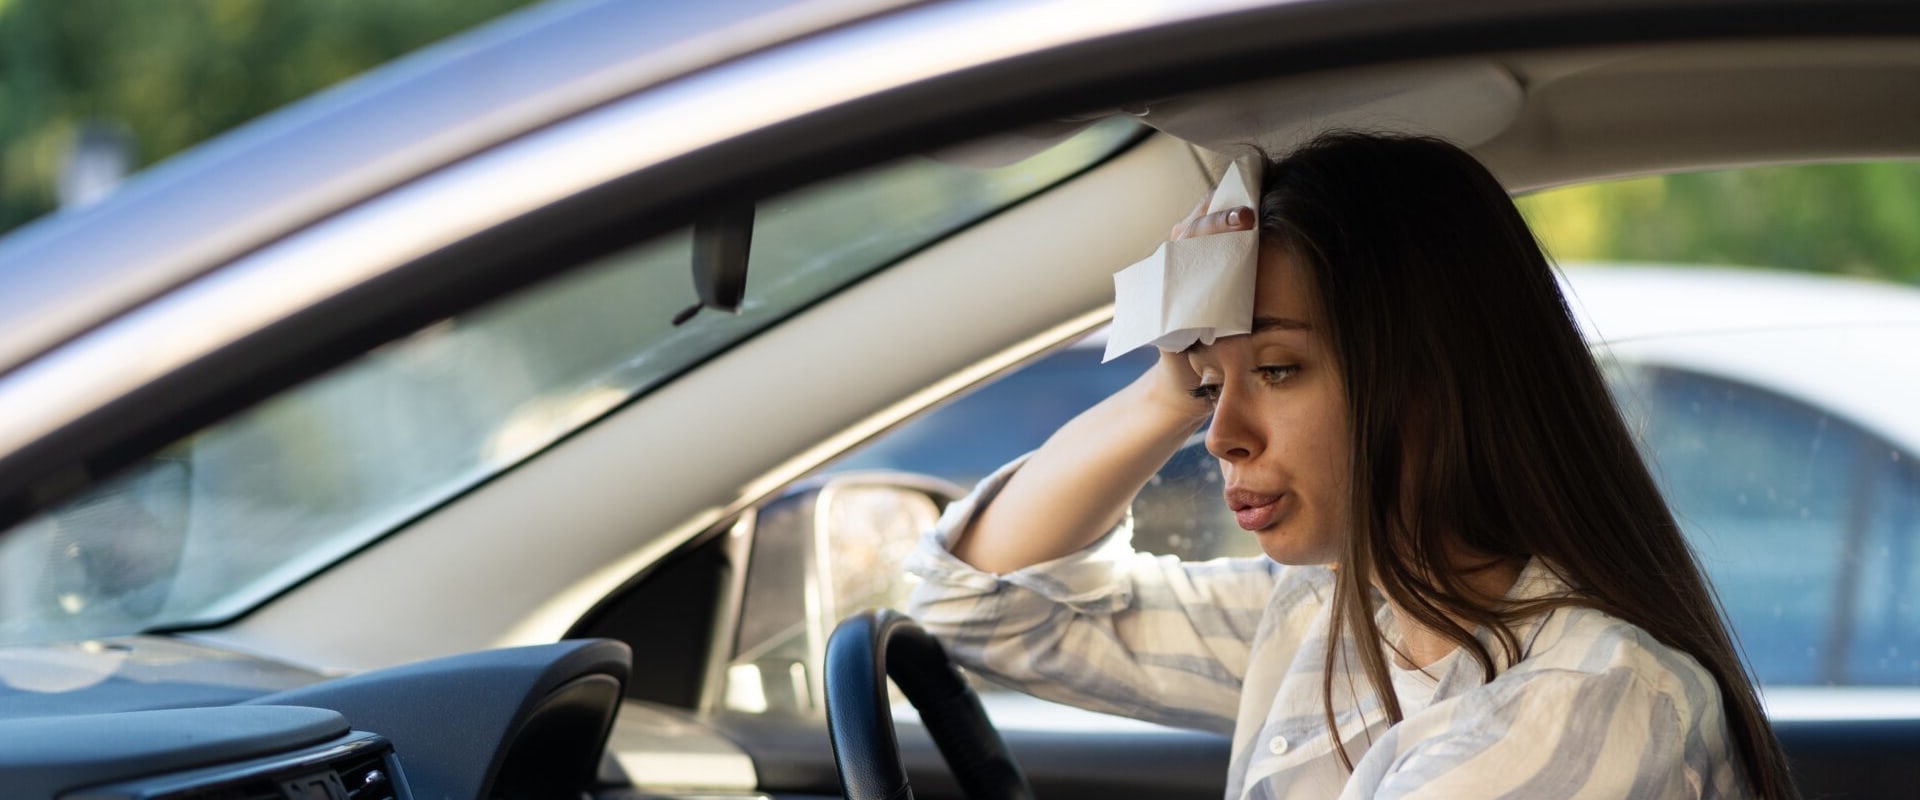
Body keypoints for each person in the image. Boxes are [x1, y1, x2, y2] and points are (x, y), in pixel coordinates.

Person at [904, 131, 1798, 798]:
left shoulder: (1579, 704)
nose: (1221, 435)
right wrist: (1168, 382)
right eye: (1212, 387)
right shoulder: (1343, 608)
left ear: (1429, 380)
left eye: (1280, 372)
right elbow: (981, 605)